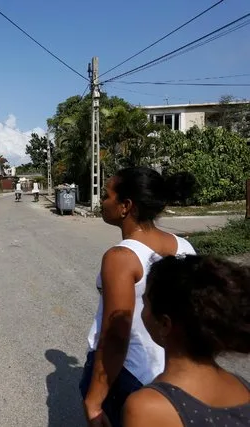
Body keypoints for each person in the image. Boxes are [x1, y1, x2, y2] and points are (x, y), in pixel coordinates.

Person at [80, 167, 197, 427]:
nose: (102, 202)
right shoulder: (184, 247)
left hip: (128, 374)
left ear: (126, 206)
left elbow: (116, 334)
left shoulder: (121, 258)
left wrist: (95, 399)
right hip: (172, 376)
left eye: (107, 196)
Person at [123, 255, 250, 427]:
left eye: (145, 303)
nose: (143, 312)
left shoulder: (148, 407)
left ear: (165, 324)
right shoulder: (242, 386)